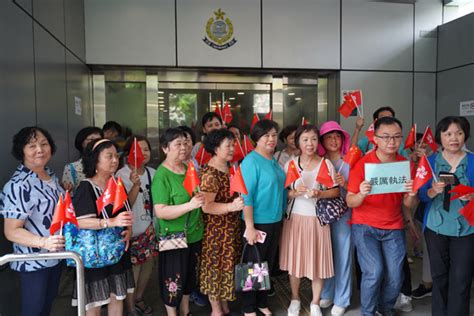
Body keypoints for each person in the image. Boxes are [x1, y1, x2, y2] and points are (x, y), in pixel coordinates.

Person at [346, 116, 418, 316]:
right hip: (364, 227)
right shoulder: (362, 165)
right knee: (374, 272)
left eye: (396, 137)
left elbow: (408, 204)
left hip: (394, 226)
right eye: (385, 137)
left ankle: (385, 309)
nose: (391, 142)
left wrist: (411, 195)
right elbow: (350, 201)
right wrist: (361, 193)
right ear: (375, 139)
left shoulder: (405, 165)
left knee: (396, 276)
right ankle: (368, 313)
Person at [1, 127, 65, 316]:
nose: (40, 149)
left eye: (44, 144)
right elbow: (11, 231)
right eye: (32, 145)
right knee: (33, 311)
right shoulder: (19, 185)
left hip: (55, 257)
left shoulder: (50, 176)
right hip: (33, 263)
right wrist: (43, 242)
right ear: (22, 151)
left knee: (46, 307)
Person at [418, 116, 474, 316]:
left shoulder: (472, 160)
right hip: (436, 228)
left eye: (459, 133)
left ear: (465, 135)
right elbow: (421, 195)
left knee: (461, 278)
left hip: (467, 227)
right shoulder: (430, 162)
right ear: (440, 137)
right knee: (439, 277)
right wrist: (432, 191)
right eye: (448, 133)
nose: (454, 138)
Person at [73, 139, 135, 315]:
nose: (115, 160)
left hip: (117, 251)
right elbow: (79, 221)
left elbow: (125, 212)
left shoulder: (116, 183)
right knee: (95, 300)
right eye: (109, 156)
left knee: (117, 295)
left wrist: (128, 230)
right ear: (95, 160)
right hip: (96, 255)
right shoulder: (86, 187)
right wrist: (110, 222)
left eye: (116, 156)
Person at [280, 124, 337, 316]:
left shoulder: (326, 164)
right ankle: (295, 299)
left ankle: (315, 302)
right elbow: (283, 194)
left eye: (313, 139)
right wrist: (294, 193)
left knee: (317, 262)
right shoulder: (290, 164)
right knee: (295, 262)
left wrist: (321, 193)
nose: (310, 143)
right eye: (305, 139)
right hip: (295, 219)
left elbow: (336, 190)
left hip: (318, 220)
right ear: (298, 143)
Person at [151, 128, 205, 316]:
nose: (183, 148)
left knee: (189, 278)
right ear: (165, 148)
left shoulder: (188, 167)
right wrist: (189, 206)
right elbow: (161, 211)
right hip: (174, 238)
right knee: (172, 280)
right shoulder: (162, 176)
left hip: (194, 235)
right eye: (177, 144)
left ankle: (186, 311)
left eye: (185, 143)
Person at [240, 119, 287, 316]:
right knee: (253, 265)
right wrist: (249, 227)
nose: (271, 139)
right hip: (258, 221)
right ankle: (248, 307)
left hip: (275, 220)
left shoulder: (272, 159)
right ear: (256, 139)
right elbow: (246, 196)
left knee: (265, 263)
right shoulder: (251, 161)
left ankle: (261, 302)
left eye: (274, 135)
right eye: (266, 135)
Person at [199, 129, 245, 316]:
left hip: (230, 229)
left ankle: (225, 306)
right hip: (216, 232)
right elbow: (206, 206)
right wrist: (230, 207)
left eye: (233, 145)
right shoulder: (211, 173)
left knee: (227, 268)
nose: (232, 148)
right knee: (215, 271)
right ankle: (216, 310)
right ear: (216, 148)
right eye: (228, 145)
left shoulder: (229, 167)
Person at [116, 135, 158, 316]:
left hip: (149, 229)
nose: (143, 153)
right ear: (128, 154)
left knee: (148, 265)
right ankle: (131, 306)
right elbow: (124, 206)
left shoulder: (153, 173)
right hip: (131, 232)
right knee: (133, 269)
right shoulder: (120, 175)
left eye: (146, 149)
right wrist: (134, 186)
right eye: (139, 150)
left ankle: (139, 298)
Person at [317, 121, 353, 316]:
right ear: (322, 140)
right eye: (329, 137)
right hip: (323, 214)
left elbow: (360, 189)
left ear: (342, 139)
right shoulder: (319, 160)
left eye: (337, 136)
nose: (333, 140)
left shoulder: (350, 160)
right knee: (326, 254)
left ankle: (343, 298)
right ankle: (327, 292)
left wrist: (345, 183)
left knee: (343, 254)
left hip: (345, 214)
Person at [62, 126, 103, 194]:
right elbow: (68, 197)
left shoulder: (108, 165)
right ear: (81, 142)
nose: (96, 143)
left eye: (99, 140)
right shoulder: (72, 168)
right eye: (91, 140)